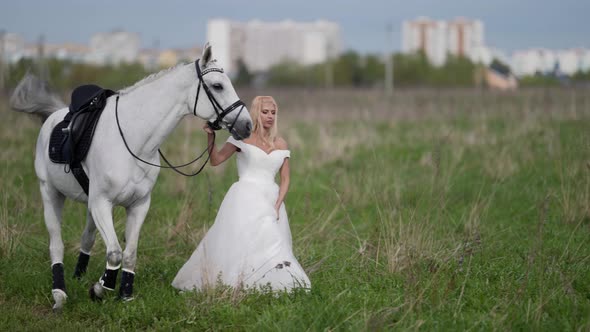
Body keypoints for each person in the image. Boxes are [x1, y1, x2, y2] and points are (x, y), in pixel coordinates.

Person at [172, 96, 311, 292]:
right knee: (243, 241)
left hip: (271, 198)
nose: (270, 116)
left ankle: (273, 281)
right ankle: (238, 281)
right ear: (255, 113)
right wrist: (210, 137)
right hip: (245, 196)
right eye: (265, 112)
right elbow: (216, 160)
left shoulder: (280, 143)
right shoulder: (241, 138)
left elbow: (286, 179)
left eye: (273, 112)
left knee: (271, 241)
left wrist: (278, 203)